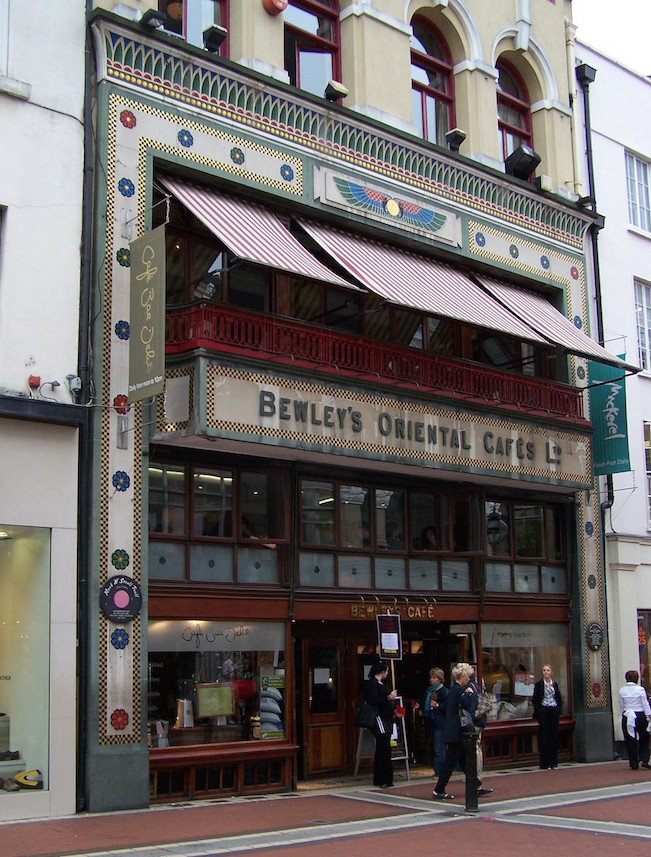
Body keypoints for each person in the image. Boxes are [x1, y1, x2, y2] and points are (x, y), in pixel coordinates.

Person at [432, 662, 482, 800]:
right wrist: (469, 695)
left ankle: (476, 785)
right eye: (468, 676)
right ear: (462, 675)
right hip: (455, 732)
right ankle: (439, 789)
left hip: (455, 731)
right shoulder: (458, 690)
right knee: (450, 762)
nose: (469, 679)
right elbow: (465, 706)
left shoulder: (455, 690)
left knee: (465, 761)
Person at [364, 660, 397, 788]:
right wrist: (388, 697)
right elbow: (374, 700)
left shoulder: (381, 683)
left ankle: (384, 778)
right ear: (382, 672)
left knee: (384, 747)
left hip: (387, 717)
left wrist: (394, 709)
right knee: (383, 746)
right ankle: (383, 778)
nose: (387, 673)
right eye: (386, 671)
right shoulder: (372, 684)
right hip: (379, 717)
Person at [618, 669, 651, 770]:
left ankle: (633, 763)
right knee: (644, 738)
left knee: (630, 740)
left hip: (628, 715)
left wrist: (623, 714)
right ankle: (644, 759)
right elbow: (644, 703)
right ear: (637, 679)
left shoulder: (622, 690)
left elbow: (621, 705)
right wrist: (649, 715)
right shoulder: (640, 690)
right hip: (640, 715)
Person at [532, 664, 562, 769]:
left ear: (551, 672)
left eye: (548, 670)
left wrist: (558, 710)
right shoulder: (539, 685)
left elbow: (558, 697)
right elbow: (535, 700)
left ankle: (554, 762)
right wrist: (539, 712)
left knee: (553, 737)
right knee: (544, 737)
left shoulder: (555, 684)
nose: (546, 672)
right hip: (544, 712)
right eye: (544, 670)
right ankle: (545, 763)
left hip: (553, 711)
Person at [468, 669, 493, 795]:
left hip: (475, 724)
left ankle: (477, 781)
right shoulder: (476, 685)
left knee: (476, 751)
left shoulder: (470, 688)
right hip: (480, 722)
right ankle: (476, 781)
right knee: (477, 750)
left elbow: (471, 710)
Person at [423, 667, 448, 777]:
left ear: (440, 679)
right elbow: (424, 701)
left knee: (439, 748)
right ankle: (439, 770)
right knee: (436, 747)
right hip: (432, 722)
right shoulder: (429, 691)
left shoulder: (444, 691)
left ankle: (440, 772)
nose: (432, 680)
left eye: (434, 678)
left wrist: (438, 705)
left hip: (440, 723)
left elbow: (448, 706)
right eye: (431, 677)